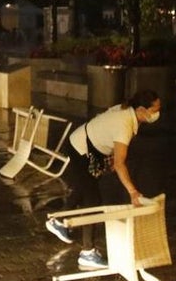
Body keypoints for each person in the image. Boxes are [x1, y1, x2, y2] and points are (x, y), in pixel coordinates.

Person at [45, 89, 162, 269]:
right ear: (141, 109)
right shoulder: (125, 124)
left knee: (85, 187)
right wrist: (133, 191)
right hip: (81, 150)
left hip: (85, 145)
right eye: (154, 110)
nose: (157, 114)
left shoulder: (125, 110)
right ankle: (88, 253)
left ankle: (59, 221)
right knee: (93, 200)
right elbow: (120, 163)